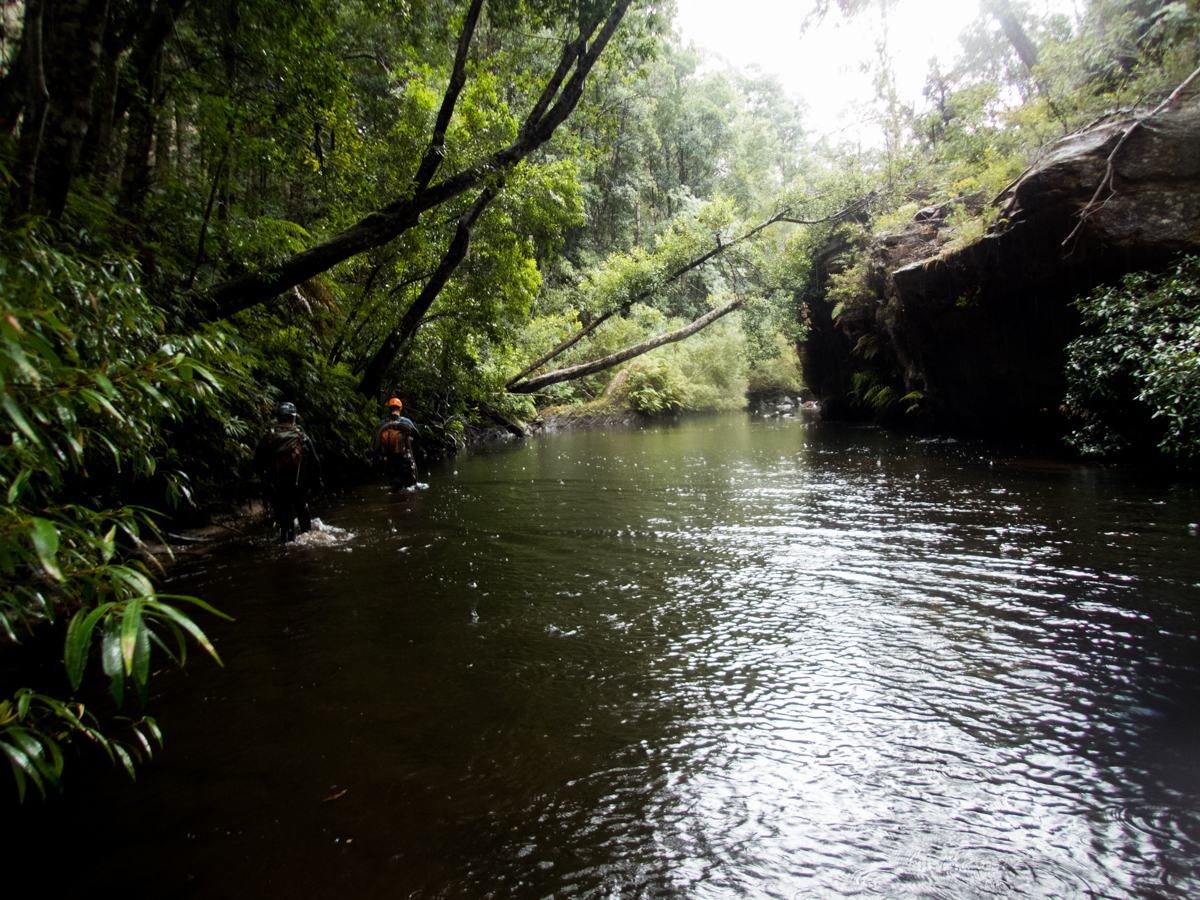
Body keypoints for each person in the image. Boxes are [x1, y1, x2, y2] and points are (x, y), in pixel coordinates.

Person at [254, 402, 323, 542]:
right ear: (293, 419)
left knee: (285, 518)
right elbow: (315, 462)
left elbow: (256, 463)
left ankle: (287, 541)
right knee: (302, 509)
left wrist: (265, 480)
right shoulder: (302, 437)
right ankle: (307, 538)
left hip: (278, 486)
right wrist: (317, 482)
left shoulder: (268, 439)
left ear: (278, 418)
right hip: (300, 485)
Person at [371, 397, 419, 488]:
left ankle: (395, 500)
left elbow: (377, 437)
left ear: (389, 409)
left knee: (395, 484)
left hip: (391, 457)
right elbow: (418, 436)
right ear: (400, 408)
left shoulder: (384, 422)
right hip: (404, 456)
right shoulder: (406, 421)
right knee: (410, 485)